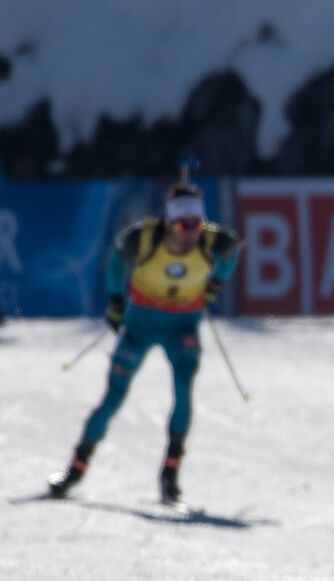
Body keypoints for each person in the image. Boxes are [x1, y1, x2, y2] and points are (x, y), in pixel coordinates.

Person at [47, 183, 241, 505]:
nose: (190, 233)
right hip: (141, 324)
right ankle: (76, 468)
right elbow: (116, 262)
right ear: (168, 223)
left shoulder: (213, 241)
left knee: (183, 390)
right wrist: (115, 302)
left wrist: (216, 284)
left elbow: (231, 252)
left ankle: (170, 474)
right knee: (113, 398)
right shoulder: (144, 238)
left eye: (196, 224)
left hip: (183, 326)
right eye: (182, 225)